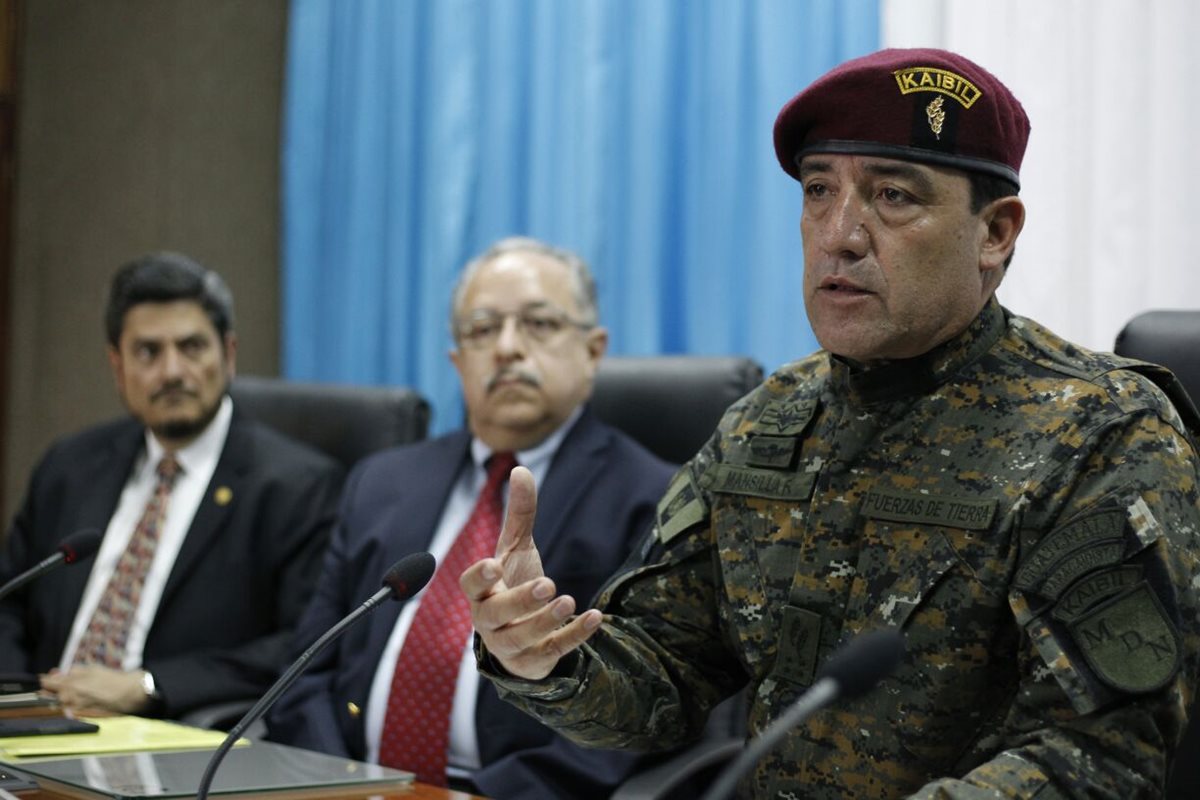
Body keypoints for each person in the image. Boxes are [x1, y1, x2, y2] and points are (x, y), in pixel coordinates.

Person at [465, 49, 1200, 798]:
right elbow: (661, 683)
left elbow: (1098, 759)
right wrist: (545, 657)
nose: (839, 233)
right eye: (820, 191)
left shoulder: (1102, 434)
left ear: (995, 233)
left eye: (893, 196)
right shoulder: (766, 423)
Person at [266, 237, 676, 797]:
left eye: (539, 324)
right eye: (482, 330)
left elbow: (645, 711)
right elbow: (304, 673)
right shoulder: (381, 482)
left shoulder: (653, 497)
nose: (507, 348)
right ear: (457, 362)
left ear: (593, 350)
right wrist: (340, 786)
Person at [0, 252, 343, 719]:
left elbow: (305, 644)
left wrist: (148, 686)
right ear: (116, 366)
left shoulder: (297, 486)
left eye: (192, 347)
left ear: (229, 354)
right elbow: (8, 603)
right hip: (37, 727)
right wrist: (19, 704)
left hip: (168, 738)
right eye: (148, 352)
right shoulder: (70, 465)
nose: (172, 372)